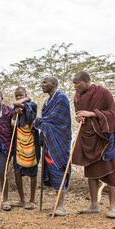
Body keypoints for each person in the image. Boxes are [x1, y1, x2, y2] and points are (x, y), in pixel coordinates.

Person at [72, 71, 115, 219]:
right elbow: (79, 114)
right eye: (73, 83)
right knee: (90, 172)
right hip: (88, 138)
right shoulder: (77, 96)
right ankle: (94, 205)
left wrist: (91, 114)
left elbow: (113, 114)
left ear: (86, 81)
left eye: (77, 82)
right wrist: (80, 117)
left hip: (104, 139)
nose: (74, 85)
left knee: (111, 171)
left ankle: (113, 207)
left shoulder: (103, 92)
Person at [33, 76, 72, 216]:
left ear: (54, 84)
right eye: (42, 81)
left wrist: (38, 121)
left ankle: (61, 206)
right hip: (49, 140)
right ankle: (57, 204)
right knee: (53, 170)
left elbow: (55, 118)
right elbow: (47, 119)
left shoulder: (61, 98)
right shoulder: (47, 101)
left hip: (60, 140)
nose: (42, 84)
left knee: (59, 168)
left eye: (45, 82)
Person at [11, 87, 40, 210]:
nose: (18, 98)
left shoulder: (32, 105)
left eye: (20, 95)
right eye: (16, 96)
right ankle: (22, 200)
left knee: (33, 172)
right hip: (19, 143)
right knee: (17, 171)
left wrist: (26, 100)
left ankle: (32, 200)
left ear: (26, 95)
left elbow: (31, 118)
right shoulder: (16, 109)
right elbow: (12, 124)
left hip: (31, 142)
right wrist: (15, 115)